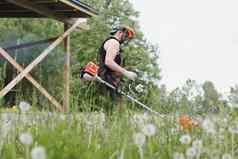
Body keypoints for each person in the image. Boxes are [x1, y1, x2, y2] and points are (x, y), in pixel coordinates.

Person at [97, 25, 137, 112]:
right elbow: (108, 62)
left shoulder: (110, 42)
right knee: (116, 111)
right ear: (119, 32)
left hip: (109, 79)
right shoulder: (114, 43)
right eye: (125, 36)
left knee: (113, 111)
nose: (125, 39)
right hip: (107, 79)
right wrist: (126, 72)